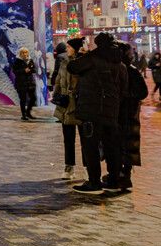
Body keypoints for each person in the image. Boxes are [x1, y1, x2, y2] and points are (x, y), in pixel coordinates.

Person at [68, 32, 127, 195]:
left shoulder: (92, 58)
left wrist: (82, 54)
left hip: (92, 111)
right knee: (111, 147)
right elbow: (124, 89)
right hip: (112, 112)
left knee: (91, 147)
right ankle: (114, 180)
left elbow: (72, 67)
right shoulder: (120, 65)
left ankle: (94, 182)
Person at [117, 42, 148, 190]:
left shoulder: (132, 71)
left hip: (128, 113)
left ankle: (125, 175)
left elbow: (143, 92)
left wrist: (126, 97)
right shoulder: (117, 69)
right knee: (119, 144)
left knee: (127, 143)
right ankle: (119, 174)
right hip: (120, 113)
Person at [53, 37, 83, 181]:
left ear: (76, 49)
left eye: (69, 47)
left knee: (86, 140)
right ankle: (69, 166)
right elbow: (59, 79)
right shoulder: (64, 62)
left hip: (80, 105)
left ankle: (88, 167)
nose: (67, 49)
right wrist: (56, 93)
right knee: (68, 139)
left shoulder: (83, 63)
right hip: (66, 105)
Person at [12, 48, 38, 120]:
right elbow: (15, 71)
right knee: (23, 99)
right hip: (21, 83)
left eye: (26, 52)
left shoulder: (30, 60)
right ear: (20, 53)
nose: (25, 54)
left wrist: (30, 70)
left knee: (33, 98)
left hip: (30, 83)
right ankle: (24, 115)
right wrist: (24, 70)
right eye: (23, 53)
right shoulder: (17, 61)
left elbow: (34, 70)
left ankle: (28, 112)